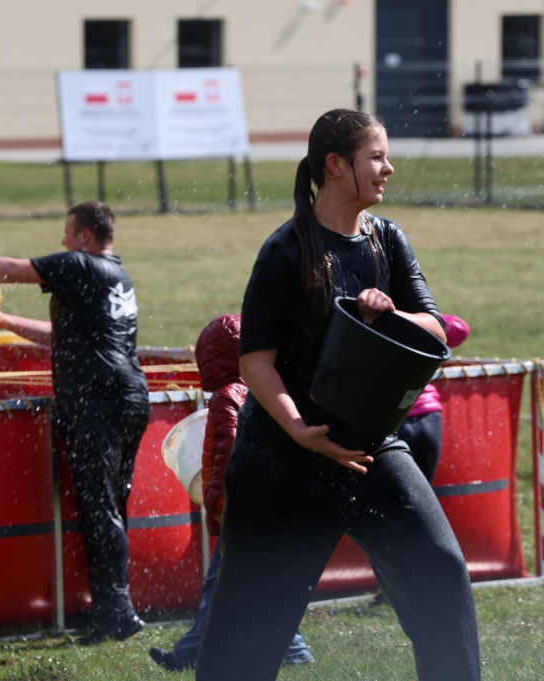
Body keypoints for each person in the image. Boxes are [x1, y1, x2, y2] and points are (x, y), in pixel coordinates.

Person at [194, 109, 480, 681]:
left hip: (372, 449)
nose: (388, 168)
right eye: (376, 157)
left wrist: (389, 311)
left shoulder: (387, 240)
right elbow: (255, 362)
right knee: (242, 647)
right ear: (335, 165)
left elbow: (435, 326)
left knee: (442, 573)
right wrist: (300, 430)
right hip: (283, 460)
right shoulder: (284, 253)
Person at [0, 201, 150, 644]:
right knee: (111, 506)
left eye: (67, 232)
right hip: (127, 397)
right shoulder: (116, 276)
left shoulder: (81, 264)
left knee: (101, 508)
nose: (61, 241)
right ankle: (115, 607)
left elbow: (12, 269)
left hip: (99, 403)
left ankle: (117, 613)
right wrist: (1, 322)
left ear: (84, 236)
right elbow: (62, 337)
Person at [148, 315, 313, 672]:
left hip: (241, 510)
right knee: (271, 584)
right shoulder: (264, 389)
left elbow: (226, 458)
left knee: (220, 588)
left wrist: (219, 507)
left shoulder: (226, 398)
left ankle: (190, 654)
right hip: (271, 504)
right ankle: (294, 651)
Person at [398, 314, 471, 483]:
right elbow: (459, 329)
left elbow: (461, 330)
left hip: (395, 420)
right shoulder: (417, 318)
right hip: (429, 419)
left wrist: (399, 315)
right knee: (418, 500)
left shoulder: (377, 317)